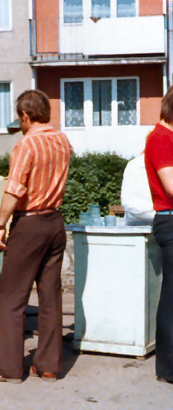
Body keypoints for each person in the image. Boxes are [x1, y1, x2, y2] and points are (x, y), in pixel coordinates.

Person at [0, 90, 72, 383]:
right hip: (55, 222)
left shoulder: (26, 145)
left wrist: (0, 224)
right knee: (50, 297)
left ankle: (7, 368)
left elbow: (14, 189)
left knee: (11, 297)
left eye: (19, 117)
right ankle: (48, 365)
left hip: (29, 224)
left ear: (25, 115)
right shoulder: (61, 140)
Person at [144, 85, 173, 385]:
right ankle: (168, 367)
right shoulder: (160, 138)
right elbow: (171, 186)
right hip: (170, 220)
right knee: (172, 296)